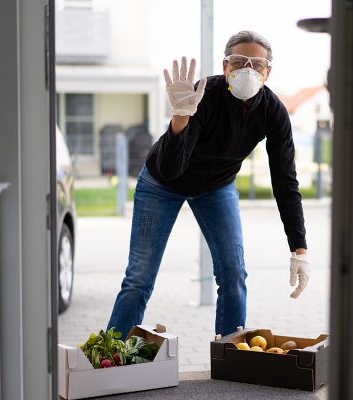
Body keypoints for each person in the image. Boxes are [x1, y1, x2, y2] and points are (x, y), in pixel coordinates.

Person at [107, 30, 309, 338]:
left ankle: (231, 355)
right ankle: (109, 355)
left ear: (269, 72)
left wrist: (299, 248)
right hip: (161, 182)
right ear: (225, 66)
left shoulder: (274, 111)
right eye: (239, 62)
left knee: (233, 273)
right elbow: (173, 169)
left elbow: (285, 181)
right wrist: (179, 119)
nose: (248, 70)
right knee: (139, 279)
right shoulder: (203, 95)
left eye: (257, 64)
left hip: (216, 187)